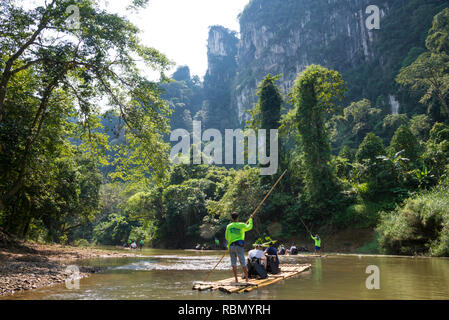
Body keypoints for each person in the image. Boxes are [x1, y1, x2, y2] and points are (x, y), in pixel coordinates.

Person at [225, 212, 253, 283]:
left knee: (233, 263)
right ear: (238, 217)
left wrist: (231, 240)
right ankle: (247, 279)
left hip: (231, 246)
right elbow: (249, 227)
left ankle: (236, 280)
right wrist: (250, 219)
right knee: (242, 262)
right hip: (239, 246)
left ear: (232, 218)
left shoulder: (229, 226)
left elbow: (226, 237)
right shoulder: (242, 225)